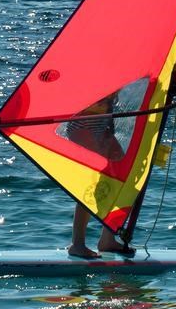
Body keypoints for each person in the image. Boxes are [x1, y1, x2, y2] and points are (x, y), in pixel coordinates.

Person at [63, 93, 135, 259]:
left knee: (125, 178)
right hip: (82, 126)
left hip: (104, 127)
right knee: (91, 182)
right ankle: (77, 244)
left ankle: (107, 240)